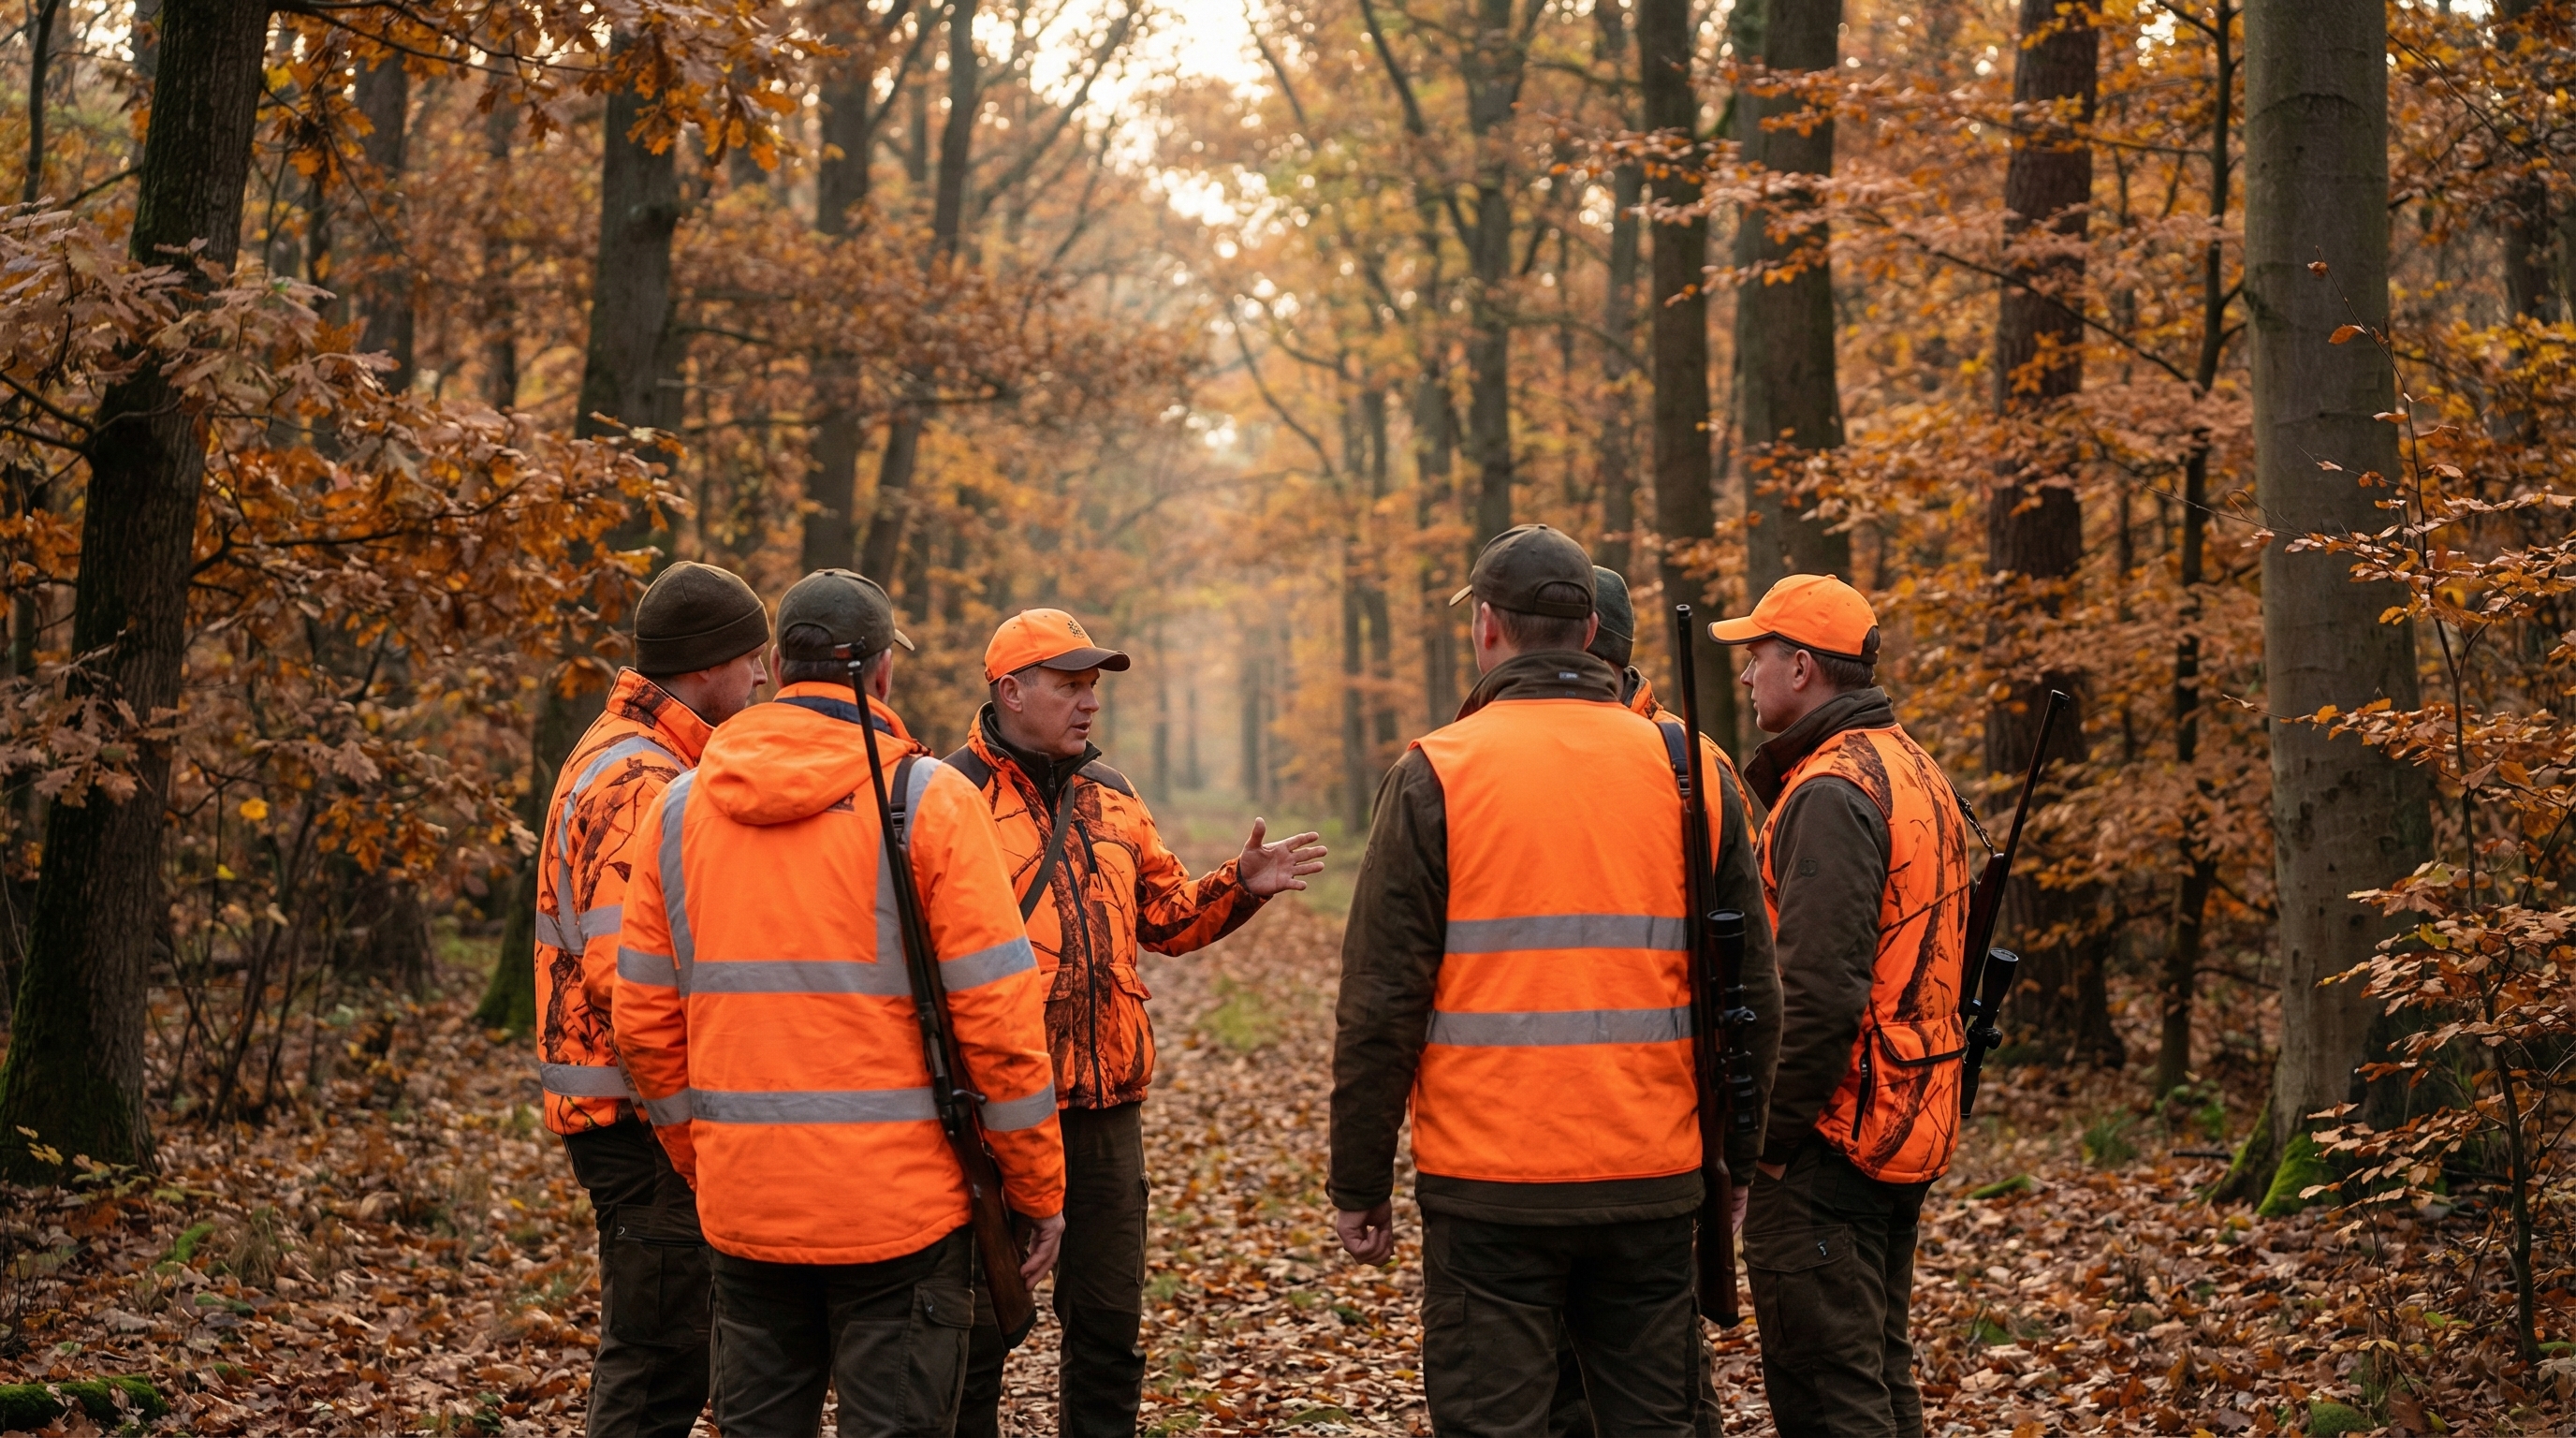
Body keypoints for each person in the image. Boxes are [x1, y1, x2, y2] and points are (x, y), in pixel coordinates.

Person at [1328, 525, 1778, 1438]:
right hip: (1654, 1175)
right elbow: (1755, 990)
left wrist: (1358, 1180)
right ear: (1589, 632)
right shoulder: (1688, 769)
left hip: (1487, 1186)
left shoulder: (1436, 773)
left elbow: (1380, 1003)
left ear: (1487, 627)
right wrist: (1739, 1154)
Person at [611, 568, 1068, 1438]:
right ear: (884, 673)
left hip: (746, 1211)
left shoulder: (677, 812)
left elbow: (642, 1024)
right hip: (902, 1217)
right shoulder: (932, 799)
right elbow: (999, 1026)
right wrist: (1036, 1187)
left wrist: (708, 1160)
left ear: (779, 665)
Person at [948, 607, 1326, 1438]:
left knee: (1110, 1338)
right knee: (972, 1341)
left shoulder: (1112, 796)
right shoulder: (949, 799)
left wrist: (1240, 885)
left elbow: (1165, 917)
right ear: (1010, 692)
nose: (1089, 704)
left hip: (1108, 1112)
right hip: (992, 1117)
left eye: (1093, 687)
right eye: (1068, 685)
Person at [1708, 573, 1973, 1438]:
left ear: (1802, 666)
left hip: (1830, 1135)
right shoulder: (1915, 769)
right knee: (1878, 1370)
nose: (1747, 677)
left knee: (1828, 1390)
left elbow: (1817, 992)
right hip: (1904, 1117)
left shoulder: (1829, 791)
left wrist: (1765, 1147)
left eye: (1757, 657)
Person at [532, 560, 768, 1438]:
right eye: (752, 659)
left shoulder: (637, 752)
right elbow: (628, 979)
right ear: (707, 664)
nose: (761, 677)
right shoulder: (643, 782)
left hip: (630, 1106)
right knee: (657, 1363)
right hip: (638, 1116)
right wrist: (689, 1122)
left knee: (666, 1349)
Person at [1543, 566, 1781, 1438]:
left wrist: (1740, 1154)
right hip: (1548, 1133)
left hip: (1659, 1136)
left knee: (1659, 1389)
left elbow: (1749, 980)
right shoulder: (1692, 758)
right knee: (1579, 1386)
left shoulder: (1692, 766)